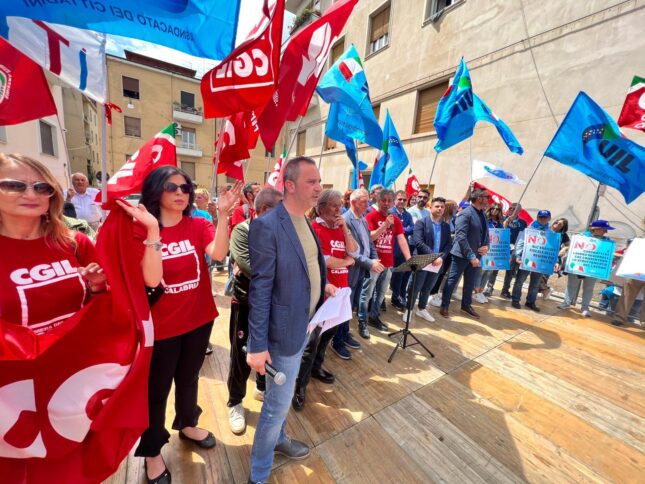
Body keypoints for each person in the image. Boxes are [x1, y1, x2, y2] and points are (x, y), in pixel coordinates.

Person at [117, 166, 242, 484]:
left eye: (185, 188)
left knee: (188, 379)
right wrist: (153, 232)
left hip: (198, 321)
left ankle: (187, 423)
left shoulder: (198, 224)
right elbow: (151, 279)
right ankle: (152, 450)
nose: (180, 193)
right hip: (160, 329)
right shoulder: (140, 230)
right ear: (156, 190)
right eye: (171, 187)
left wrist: (223, 215)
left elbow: (218, 253)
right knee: (156, 391)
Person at [246, 157, 336, 484]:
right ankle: (258, 474)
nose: (319, 188)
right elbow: (260, 290)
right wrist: (257, 345)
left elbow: (305, 266)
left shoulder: (306, 222)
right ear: (289, 185)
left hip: (305, 325)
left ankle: (279, 439)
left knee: (279, 406)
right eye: (312, 182)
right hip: (282, 335)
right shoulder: (267, 226)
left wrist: (323, 286)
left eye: (319, 181)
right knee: (274, 408)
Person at [0, 153, 106, 334]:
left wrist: (97, 286)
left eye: (42, 187)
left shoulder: (76, 242)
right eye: (14, 186)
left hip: (82, 349)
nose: (31, 195)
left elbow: (103, 307)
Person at [293, 189, 358, 410]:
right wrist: (346, 262)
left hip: (340, 293)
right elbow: (324, 261)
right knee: (311, 342)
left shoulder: (340, 227)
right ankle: (299, 386)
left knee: (328, 335)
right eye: (334, 205)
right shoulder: (315, 229)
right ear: (321, 209)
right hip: (322, 293)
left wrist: (345, 228)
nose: (339, 209)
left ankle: (316, 368)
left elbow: (354, 251)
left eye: (340, 205)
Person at [226, 188, 283, 435]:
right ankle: (235, 402)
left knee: (267, 349)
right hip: (246, 302)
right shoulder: (243, 230)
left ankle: (261, 387)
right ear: (264, 210)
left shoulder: (281, 231)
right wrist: (277, 271)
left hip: (272, 303)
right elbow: (250, 266)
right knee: (241, 354)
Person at [335, 188, 385, 345]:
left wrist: (374, 258)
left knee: (352, 305)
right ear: (353, 202)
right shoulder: (345, 220)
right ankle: (338, 340)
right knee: (345, 304)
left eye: (368, 201)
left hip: (361, 270)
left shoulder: (363, 219)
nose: (368, 204)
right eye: (364, 202)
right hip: (350, 269)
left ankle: (345, 333)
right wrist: (370, 263)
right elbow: (351, 252)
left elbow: (369, 243)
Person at [362, 189, 412, 334]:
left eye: (389, 201)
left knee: (381, 293)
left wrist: (409, 259)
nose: (386, 203)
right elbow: (370, 237)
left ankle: (374, 317)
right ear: (378, 201)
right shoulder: (371, 216)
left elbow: (402, 239)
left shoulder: (395, 219)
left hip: (388, 263)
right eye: (383, 200)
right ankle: (362, 320)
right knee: (367, 293)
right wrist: (384, 225)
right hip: (374, 262)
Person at [439, 189, 489, 319]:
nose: (488, 199)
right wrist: (471, 256)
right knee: (452, 280)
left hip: (476, 255)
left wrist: (486, 247)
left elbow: (486, 233)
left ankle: (466, 305)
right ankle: (444, 306)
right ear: (479, 198)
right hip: (461, 255)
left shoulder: (483, 214)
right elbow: (460, 237)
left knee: (470, 282)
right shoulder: (465, 214)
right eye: (486, 197)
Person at [405, 197, 452, 323]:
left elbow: (449, 244)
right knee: (415, 287)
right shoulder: (422, 222)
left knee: (428, 287)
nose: (440, 209)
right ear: (430, 208)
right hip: (423, 260)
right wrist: (433, 256)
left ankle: (421, 308)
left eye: (442, 207)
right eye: (437, 206)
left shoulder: (446, 226)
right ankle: (409, 309)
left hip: (437, 263)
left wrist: (441, 257)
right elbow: (418, 242)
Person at [558, 220, 615, 317]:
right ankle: (566, 303)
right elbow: (571, 247)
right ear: (595, 229)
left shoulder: (607, 242)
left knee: (588, 288)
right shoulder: (581, 237)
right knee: (571, 285)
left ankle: (585, 308)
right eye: (604, 229)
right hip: (577, 266)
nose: (606, 232)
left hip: (593, 268)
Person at [511, 210, 554, 312]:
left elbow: (552, 249)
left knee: (535, 284)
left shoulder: (551, 233)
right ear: (537, 217)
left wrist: (553, 261)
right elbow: (520, 243)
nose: (542, 219)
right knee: (520, 281)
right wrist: (518, 255)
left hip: (540, 262)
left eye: (545, 217)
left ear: (549, 219)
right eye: (540, 217)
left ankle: (530, 302)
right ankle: (515, 300)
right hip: (526, 260)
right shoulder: (529, 229)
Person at [389, 190, 414, 310]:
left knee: (399, 275)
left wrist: (401, 229)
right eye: (399, 199)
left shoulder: (407, 215)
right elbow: (391, 228)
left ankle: (395, 298)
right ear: (395, 200)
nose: (402, 201)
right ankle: (380, 300)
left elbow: (412, 228)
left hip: (402, 250)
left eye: (404, 199)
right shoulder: (390, 212)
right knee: (386, 275)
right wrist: (404, 229)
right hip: (390, 248)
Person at [500, 202, 528, 298]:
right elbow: (499, 231)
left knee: (510, 271)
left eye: (514, 208)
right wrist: (506, 222)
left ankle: (505, 290)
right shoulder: (502, 218)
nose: (511, 210)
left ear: (519, 211)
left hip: (514, 250)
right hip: (501, 247)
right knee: (494, 269)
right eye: (510, 208)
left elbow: (524, 237)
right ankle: (489, 288)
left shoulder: (523, 223)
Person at [478, 202, 504, 300]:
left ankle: (481, 291)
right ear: (490, 209)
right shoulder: (485, 220)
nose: (495, 210)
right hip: (484, 248)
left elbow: (502, 237)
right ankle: (476, 292)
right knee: (481, 271)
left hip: (494, 251)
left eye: (497, 209)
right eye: (493, 208)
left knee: (489, 272)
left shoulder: (500, 224)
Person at [538, 217, 569, 300]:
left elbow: (568, 245)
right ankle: (545, 290)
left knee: (544, 276)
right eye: (557, 221)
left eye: (560, 224)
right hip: (539, 254)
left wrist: (562, 251)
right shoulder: (546, 229)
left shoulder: (563, 235)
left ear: (563, 227)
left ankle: (544, 290)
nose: (557, 224)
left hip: (552, 257)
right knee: (537, 275)